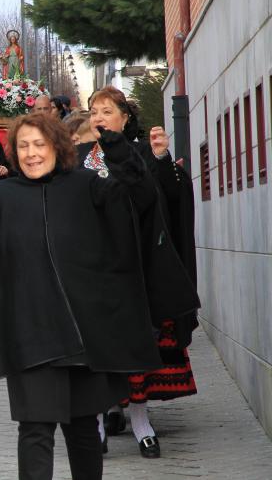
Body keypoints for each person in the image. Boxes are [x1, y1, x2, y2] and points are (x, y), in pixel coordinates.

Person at [0, 113, 163, 480]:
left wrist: (123, 154)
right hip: (31, 334)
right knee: (35, 429)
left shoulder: (87, 186)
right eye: (23, 146)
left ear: (57, 147)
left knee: (83, 428)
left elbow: (138, 198)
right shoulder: (4, 195)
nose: (31, 153)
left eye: (39, 145)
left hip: (85, 333)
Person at [80, 86, 200, 458]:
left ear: (125, 117)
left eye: (106, 111)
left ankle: (140, 420)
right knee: (96, 349)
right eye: (94, 111)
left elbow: (169, 200)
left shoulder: (143, 153)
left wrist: (162, 159)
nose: (99, 118)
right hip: (92, 270)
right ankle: (99, 422)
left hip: (138, 268)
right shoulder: (79, 158)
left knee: (138, 346)